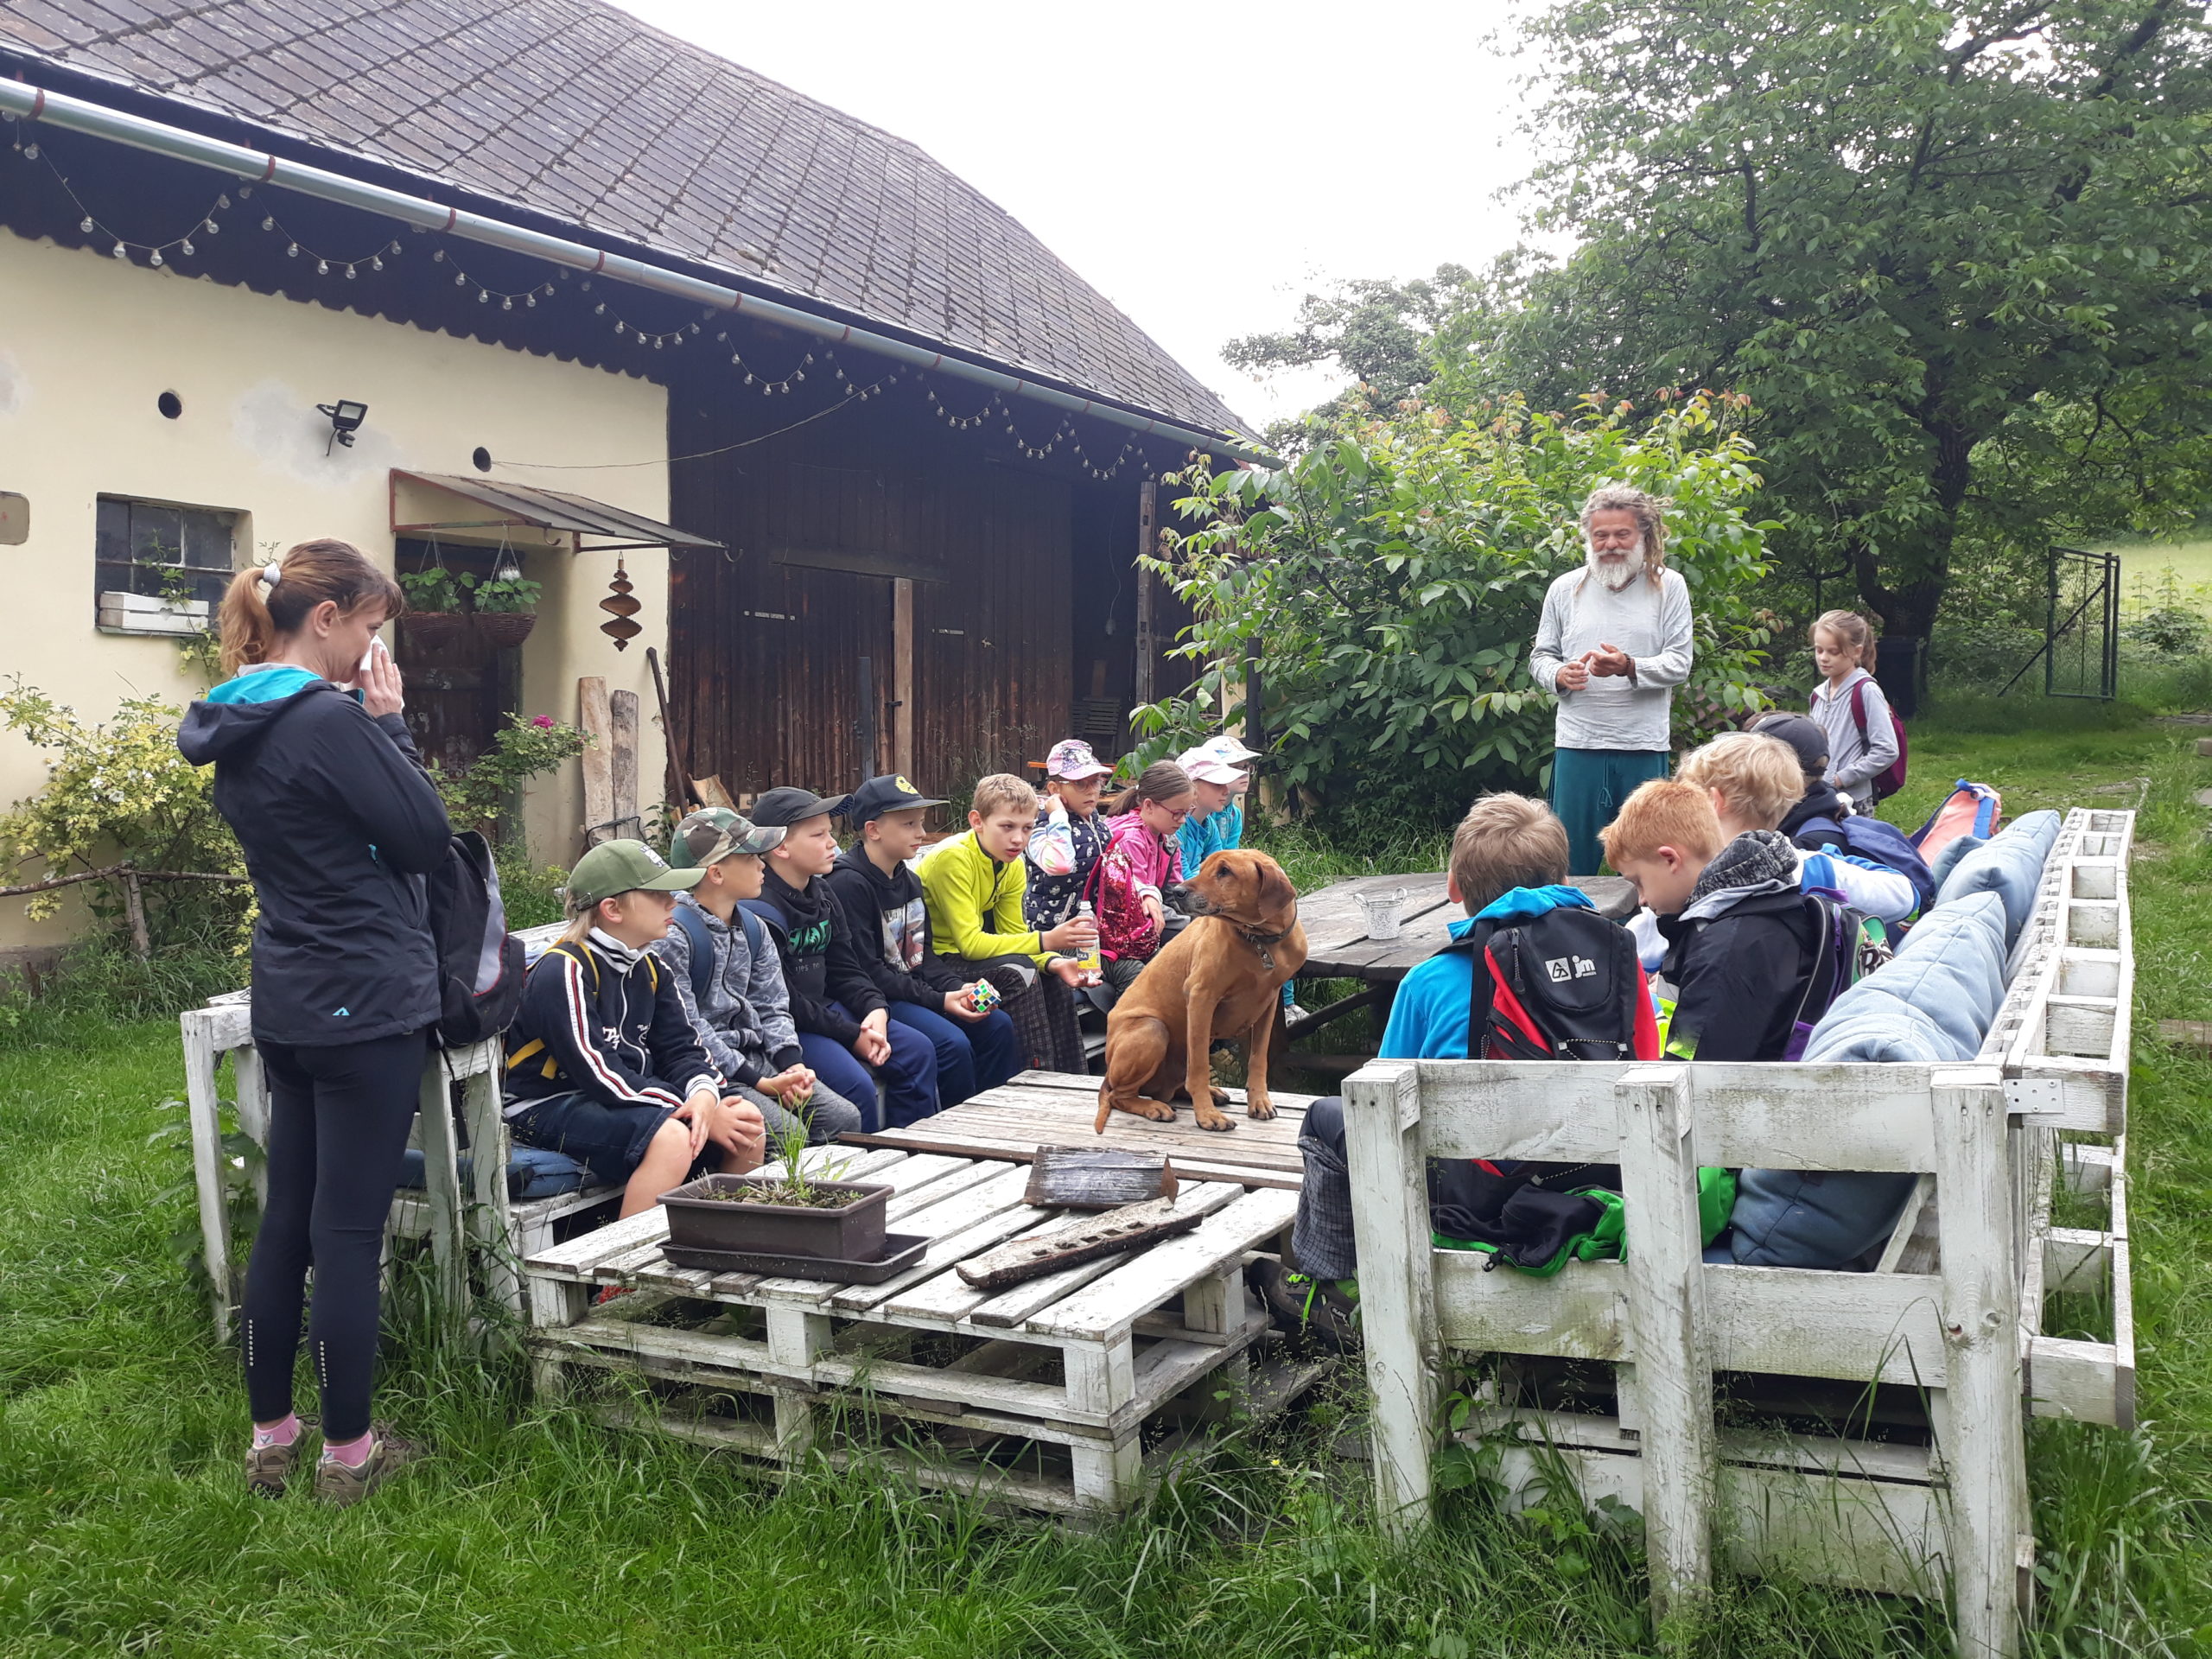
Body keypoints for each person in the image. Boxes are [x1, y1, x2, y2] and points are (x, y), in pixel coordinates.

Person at [180, 541, 451, 1503]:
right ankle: (348, 1454)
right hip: (365, 1001)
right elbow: (424, 838)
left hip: (289, 997)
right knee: (345, 1233)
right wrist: (392, 724)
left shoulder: (237, 718)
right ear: (327, 617)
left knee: (284, 1224)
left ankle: (272, 1438)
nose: (375, 649)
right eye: (372, 626)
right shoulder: (331, 721)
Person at [1254, 793, 1650, 1346]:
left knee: (1327, 1118)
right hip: (1600, 1172)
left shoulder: (1428, 981)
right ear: (1563, 877)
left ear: (1454, 887)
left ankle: (1334, 1291)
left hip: (1478, 1194)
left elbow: (1379, 1102)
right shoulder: (1617, 959)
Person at [505, 840, 768, 1222]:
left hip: (620, 1097)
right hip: (543, 1105)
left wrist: (704, 1096)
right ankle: (627, 1261)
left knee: (746, 1123)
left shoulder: (651, 967)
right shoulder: (564, 970)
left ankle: (716, 1243)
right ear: (612, 909)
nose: (673, 903)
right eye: (658, 895)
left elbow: (683, 1050)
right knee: (673, 1137)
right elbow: (599, 1073)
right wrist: (687, 1111)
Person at [652, 808, 865, 1144]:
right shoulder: (673, 937)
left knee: (843, 1118)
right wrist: (758, 1081)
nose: (762, 865)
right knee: (787, 1135)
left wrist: (791, 1064)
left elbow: (772, 1004)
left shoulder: (754, 927)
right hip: (705, 1072)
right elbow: (689, 1026)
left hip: (759, 1059)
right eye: (750, 857)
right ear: (716, 873)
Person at [747, 786, 939, 1130]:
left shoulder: (823, 892)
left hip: (833, 1009)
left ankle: (913, 1149)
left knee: (917, 1051)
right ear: (781, 847)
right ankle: (863, 1162)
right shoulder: (760, 909)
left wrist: (875, 1009)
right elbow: (786, 1001)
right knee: (856, 1086)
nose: (832, 843)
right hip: (793, 1025)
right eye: (818, 834)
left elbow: (845, 968)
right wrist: (852, 1034)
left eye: (830, 832)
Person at [1529, 484, 1696, 876]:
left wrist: (1629, 666)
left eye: (1622, 534)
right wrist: (1559, 674)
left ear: (1644, 535)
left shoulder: (1669, 586)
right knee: (1569, 862)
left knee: (1650, 862)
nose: (1611, 545)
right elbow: (1540, 657)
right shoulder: (1564, 589)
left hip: (1643, 744)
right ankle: (1569, 917)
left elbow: (1680, 663)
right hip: (1578, 744)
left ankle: (1646, 919)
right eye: (1600, 535)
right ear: (1587, 537)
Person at [829, 775, 1020, 1107]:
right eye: (909, 824)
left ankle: (996, 1115)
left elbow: (922, 954)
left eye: (920, 822)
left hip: (912, 989)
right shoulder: (847, 884)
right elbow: (869, 972)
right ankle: (951, 1127)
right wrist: (940, 1000)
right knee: (951, 1044)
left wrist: (957, 988)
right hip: (879, 998)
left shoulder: (909, 880)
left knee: (997, 1024)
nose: (921, 833)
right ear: (873, 830)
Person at [1601, 779, 1818, 1064]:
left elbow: (1691, 1057)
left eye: (1638, 882)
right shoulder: (1762, 900)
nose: (1641, 899)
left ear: (1670, 859)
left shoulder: (1722, 947)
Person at [919, 772, 1091, 1072]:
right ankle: (1034, 1079)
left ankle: (1072, 1079)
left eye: (1028, 828)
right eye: (1007, 827)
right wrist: (1047, 941)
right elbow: (970, 945)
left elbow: (1013, 934)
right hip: (935, 962)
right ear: (977, 821)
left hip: (970, 957)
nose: (1018, 839)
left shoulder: (1012, 863)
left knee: (1053, 978)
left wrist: (1053, 961)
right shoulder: (953, 858)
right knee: (1020, 972)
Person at [1677, 733, 1918, 922]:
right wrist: (1823, 863)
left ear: (1714, 802)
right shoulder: (1807, 868)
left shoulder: (1683, 874)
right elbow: (1905, 897)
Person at [1093, 760, 1196, 992]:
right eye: (1177, 813)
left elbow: (1174, 892)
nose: (1182, 820)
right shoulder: (1130, 838)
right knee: (1196, 938)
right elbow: (1134, 905)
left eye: (1187, 812)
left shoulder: (1168, 838)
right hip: (1123, 926)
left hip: (1154, 917)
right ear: (1148, 805)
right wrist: (1194, 927)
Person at [1808, 609, 1899, 811]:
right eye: (1819, 650)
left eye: (1833, 652)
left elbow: (1887, 750)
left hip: (1854, 800)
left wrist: (1840, 779)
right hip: (1821, 797)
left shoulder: (1866, 691)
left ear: (1857, 652)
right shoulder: (1817, 695)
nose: (1823, 658)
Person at [1022, 738, 1116, 935]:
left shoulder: (1100, 827)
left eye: (1096, 781)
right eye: (1079, 783)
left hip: (1090, 929)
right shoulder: (1040, 828)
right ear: (1055, 789)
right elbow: (1060, 865)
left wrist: (1146, 892)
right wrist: (1058, 816)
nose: (1091, 790)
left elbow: (1117, 871)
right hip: (1049, 934)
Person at [1174, 734, 1258, 869]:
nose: (1245, 774)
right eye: (1236, 768)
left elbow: (1225, 863)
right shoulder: (1175, 824)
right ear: (1192, 785)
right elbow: (1180, 875)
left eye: (1247, 767)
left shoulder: (1225, 818)